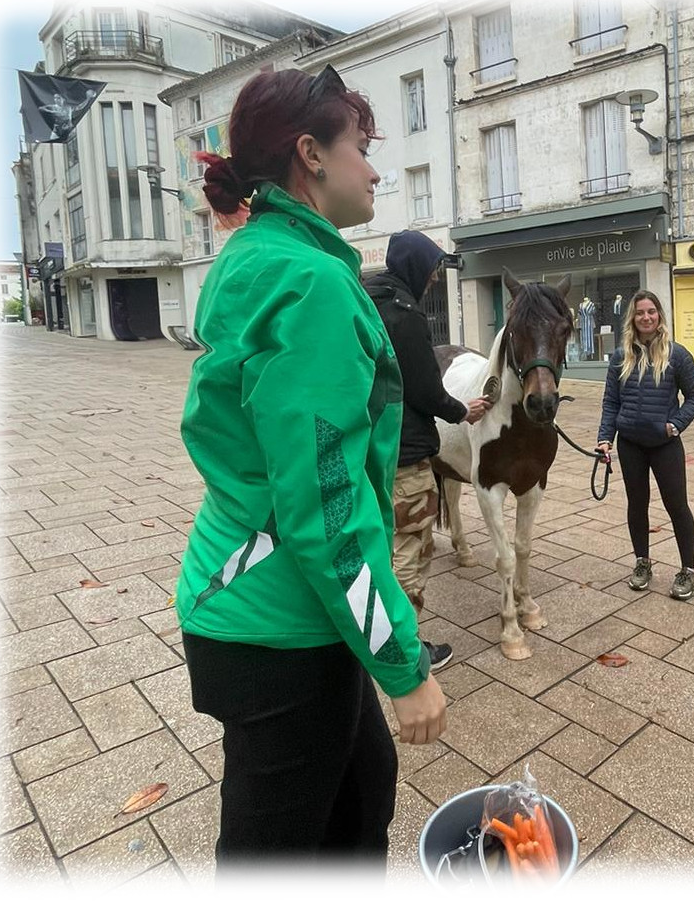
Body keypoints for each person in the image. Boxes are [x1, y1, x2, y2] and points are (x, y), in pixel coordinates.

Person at [176, 65, 446, 873]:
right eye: (360, 148)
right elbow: (324, 502)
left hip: (262, 594)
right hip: (277, 622)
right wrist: (404, 664)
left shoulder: (260, 253)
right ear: (310, 156)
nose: (374, 169)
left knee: (363, 786)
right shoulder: (314, 282)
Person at [364, 231, 491, 669]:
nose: (436, 277)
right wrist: (461, 411)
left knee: (385, 546)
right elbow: (425, 388)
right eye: (433, 268)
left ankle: (382, 637)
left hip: (373, 448)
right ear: (416, 266)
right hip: (405, 453)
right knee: (411, 550)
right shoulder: (404, 315)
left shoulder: (366, 301)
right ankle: (402, 650)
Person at [596, 291, 694, 600]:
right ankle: (642, 562)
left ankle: (688, 571)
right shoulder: (620, 357)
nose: (646, 317)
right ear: (632, 318)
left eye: (651, 312)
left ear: (659, 316)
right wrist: (605, 438)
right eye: (640, 312)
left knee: (677, 506)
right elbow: (611, 402)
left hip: (664, 444)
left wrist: (676, 424)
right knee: (637, 505)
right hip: (630, 444)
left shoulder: (677, 355)